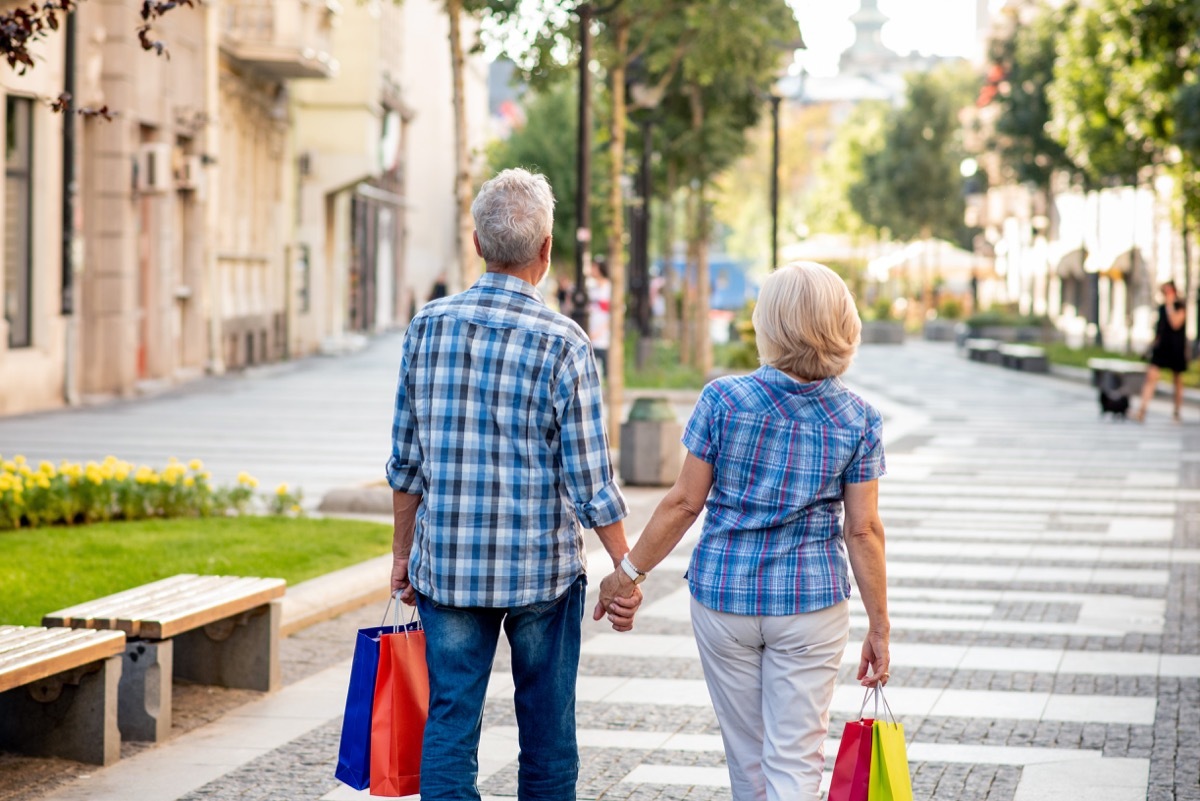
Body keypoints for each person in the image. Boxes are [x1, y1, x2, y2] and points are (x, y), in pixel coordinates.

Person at [386, 167, 641, 801]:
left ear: (476, 243)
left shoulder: (427, 327)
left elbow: (406, 462)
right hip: (541, 574)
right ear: (547, 250)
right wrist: (624, 568)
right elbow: (591, 479)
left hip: (446, 567)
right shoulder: (565, 344)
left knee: (448, 723)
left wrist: (401, 555)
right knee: (548, 732)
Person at [598, 261, 892, 801]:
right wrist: (880, 625)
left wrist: (628, 572)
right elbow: (864, 530)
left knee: (748, 760)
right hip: (811, 604)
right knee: (796, 757)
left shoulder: (722, 400)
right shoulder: (860, 419)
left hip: (725, 600)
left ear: (769, 323)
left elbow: (685, 503)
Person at [1135, 280, 1188, 422]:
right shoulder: (1161, 308)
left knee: (1177, 380)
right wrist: (1150, 346)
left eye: (1168, 291)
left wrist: (1170, 306)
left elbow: (1176, 324)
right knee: (1150, 376)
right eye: (1164, 292)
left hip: (1176, 348)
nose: (1166, 295)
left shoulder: (1179, 306)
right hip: (1162, 348)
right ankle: (1142, 411)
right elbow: (1160, 330)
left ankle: (1177, 412)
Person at [587, 257, 612, 378]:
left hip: (604, 336)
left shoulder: (609, 288)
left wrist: (600, 331)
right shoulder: (592, 288)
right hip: (592, 333)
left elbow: (613, 313)